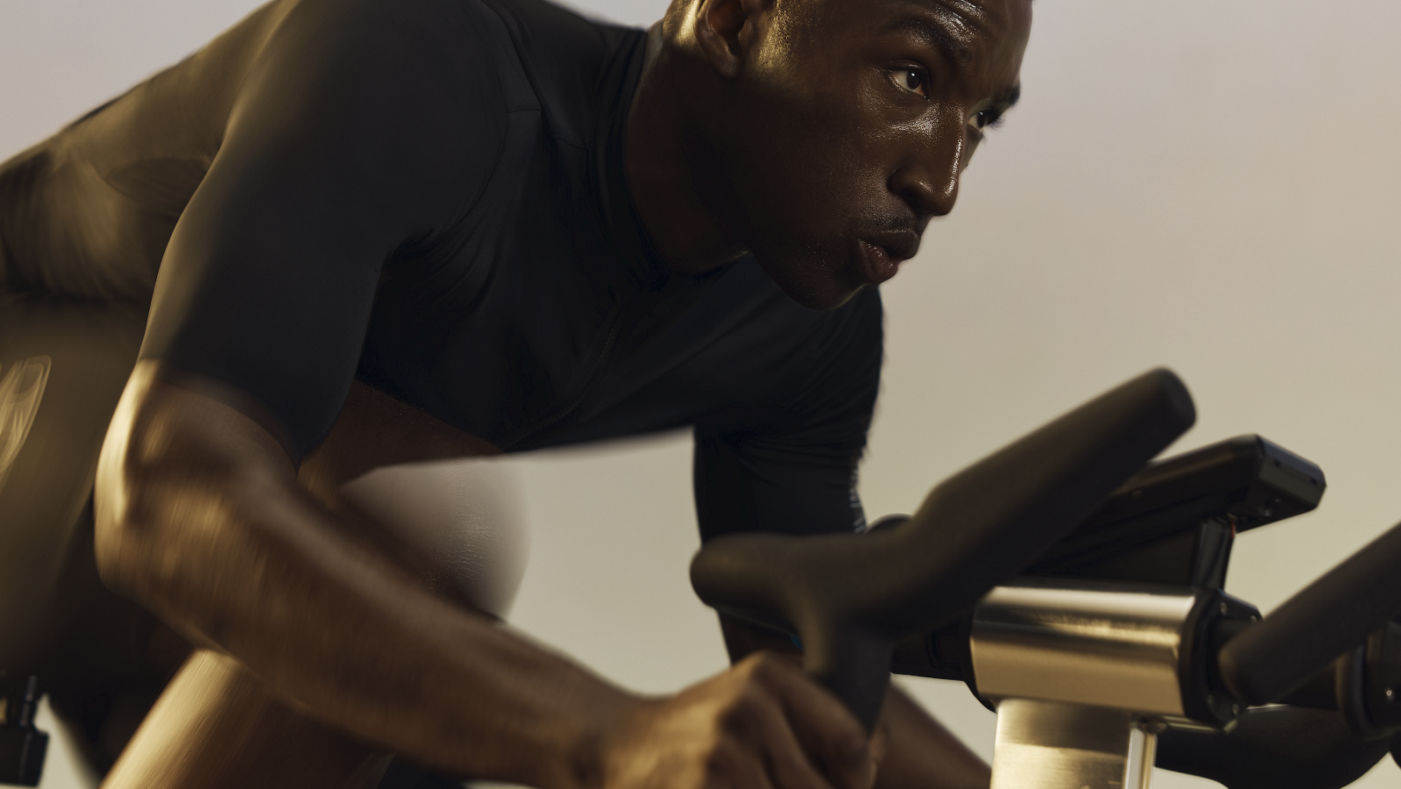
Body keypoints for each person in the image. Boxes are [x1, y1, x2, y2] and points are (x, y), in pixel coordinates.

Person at [0, 0, 1031, 784]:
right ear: (730, 20)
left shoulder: (812, 327)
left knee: (435, 689)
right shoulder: (415, 59)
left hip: (215, 548)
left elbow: (815, 673)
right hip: (58, 396)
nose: (941, 181)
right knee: (425, 528)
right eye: (910, 77)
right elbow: (163, 495)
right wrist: (608, 736)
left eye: (979, 119)